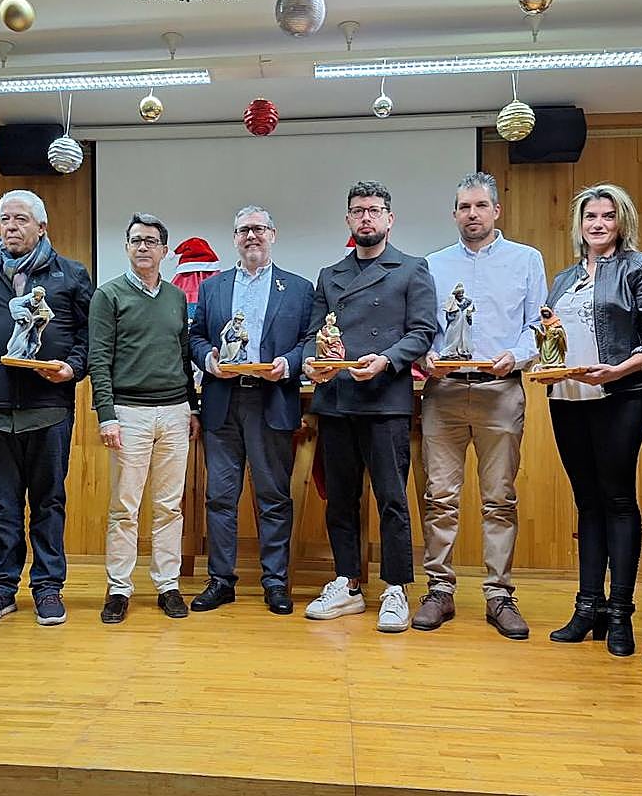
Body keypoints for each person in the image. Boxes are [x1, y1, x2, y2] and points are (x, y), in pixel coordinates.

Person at [0, 190, 93, 627]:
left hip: (50, 409)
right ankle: (0, 588)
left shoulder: (70, 274)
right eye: (5, 218)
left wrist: (72, 368)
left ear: (42, 228)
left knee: (49, 501)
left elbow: (89, 335)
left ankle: (48, 588)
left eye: (22, 219)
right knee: (1, 503)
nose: (12, 226)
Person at [539, 184, 642, 657]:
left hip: (620, 394)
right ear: (578, 224)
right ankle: (587, 607)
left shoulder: (641, 267)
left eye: (607, 216)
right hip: (567, 394)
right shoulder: (563, 278)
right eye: (589, 216)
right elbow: (554, 335)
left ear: (622, 222)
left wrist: (620, 368)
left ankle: (620, 613)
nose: (597, 224)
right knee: (586, 502)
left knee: (617, 498)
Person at [301, 181, 438, 633]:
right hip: (337, 399)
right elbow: (314, 334)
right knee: (340, 499)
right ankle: (347, 582)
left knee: (392, 499)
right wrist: (311, 363)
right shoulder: (329, 275)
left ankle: (396, 587)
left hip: (385, 401)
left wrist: (388, 360)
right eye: (358, 211)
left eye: (374, 211)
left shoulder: (412, 269)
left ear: (389, 219)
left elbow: (422, 332)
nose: (366, 218)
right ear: (348, 220)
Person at [415, 172, 547, 640]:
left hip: (500, 390)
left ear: (496, 211)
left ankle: (499, 595)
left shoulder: (526, 259)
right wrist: (423, 354)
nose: (472, 214)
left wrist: (521, 353)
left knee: (499, 498)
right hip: (444, 393)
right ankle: (439, 590)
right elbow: (421, 327)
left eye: (480, 206)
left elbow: (538, 324)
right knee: (439, 498)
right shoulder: (431, 265)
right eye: (464, 207)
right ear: (454, 214)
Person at [188, 205, 314, 615]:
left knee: (273, 497)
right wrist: (207, 359)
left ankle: (275, 583)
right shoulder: (214, 288)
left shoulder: (298, 288)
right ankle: (221, 581)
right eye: (243, 230)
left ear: (273, 235)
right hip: (222, 404)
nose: (251, 236)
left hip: (271, 401)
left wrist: (289, 364)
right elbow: (196, 336)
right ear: (235, 238)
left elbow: (308, 340)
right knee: (220, 498)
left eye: (259, 229)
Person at [90, 213, 200, 624]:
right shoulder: (109, 296)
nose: (143, 247)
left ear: (164, 250)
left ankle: (167, 585)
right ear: (127, 247)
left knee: (170, 506)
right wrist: (107, 415)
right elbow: (98, 358)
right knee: (125, 507)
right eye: (136, 240)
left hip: (174, 413)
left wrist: (192, 407)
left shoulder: (175, 298)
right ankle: (119, 588)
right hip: (128, 414)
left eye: (151, 241)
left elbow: (184, 357)